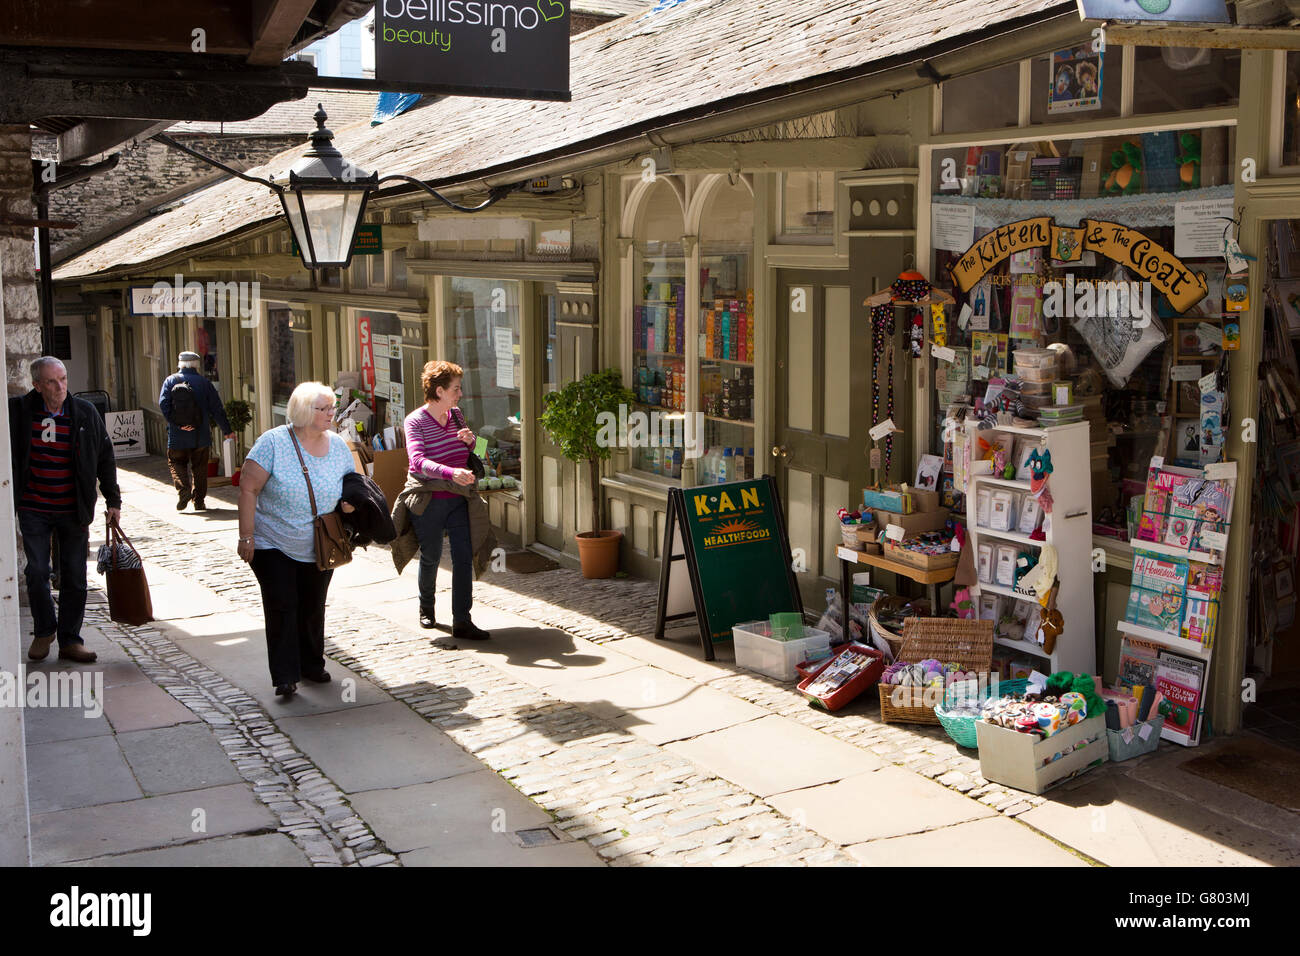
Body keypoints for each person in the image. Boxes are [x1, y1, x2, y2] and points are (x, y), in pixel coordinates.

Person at [235, 382, 355, 699]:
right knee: (283, 605)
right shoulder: (273, 443)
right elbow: (248, 489)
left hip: (320, 542)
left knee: (312, 606)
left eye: (332, 407)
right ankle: (285, 676)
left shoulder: (339, 446)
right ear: (303, 411)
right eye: (323, 408)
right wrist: (246, 535)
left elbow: (353, 484)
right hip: (272, 541)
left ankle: (311, 664)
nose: (331, 413)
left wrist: (350, 503)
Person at [9, 356, 121, 664]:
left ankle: (71, 639)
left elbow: (104, 457)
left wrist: (113, 501)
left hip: (73, 508)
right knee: (37, 571)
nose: (60, 387)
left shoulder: (83, 412)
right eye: (51, 382)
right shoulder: (17, 412)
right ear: (37, 385)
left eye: (64, 379)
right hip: (33, 507)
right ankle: (44, 630)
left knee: (74, 575)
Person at [400, 360, 490, 641]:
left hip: (458, 498)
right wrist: (452, 472)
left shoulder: (457, 416)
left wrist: (472, 441)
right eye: (455, 389)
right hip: (429, 500)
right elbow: (417, 462)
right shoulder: (415, 421)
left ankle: (462, 620)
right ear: (439, 391)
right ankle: (426, 606)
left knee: (464, 558)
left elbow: (479, 451)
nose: (459, 394)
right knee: (432, 555)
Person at [159, 350, 235, 511]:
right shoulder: (204, 383)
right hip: (200, 435)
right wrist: (227, 430)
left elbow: (164, 406)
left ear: (180, 363)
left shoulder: (170, 381)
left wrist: (178, 425)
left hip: (177, 436)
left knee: (176, 463)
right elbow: (217, 409)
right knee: (200, 468)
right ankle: (199, 501)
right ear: (196, 364)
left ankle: (184, 490)